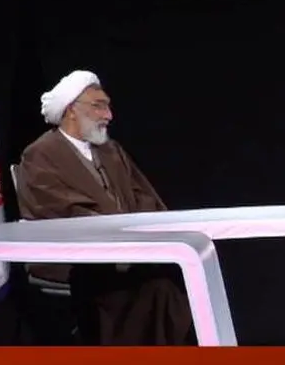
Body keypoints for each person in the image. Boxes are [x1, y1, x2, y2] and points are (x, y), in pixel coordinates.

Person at [16, 70, 195, 345]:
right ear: (71, 110)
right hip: (79, 259)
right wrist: (120, 232)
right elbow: (61, 210)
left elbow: (143, 197)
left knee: (178, 277)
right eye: (98, 106)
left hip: (126, 252)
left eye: (107, 106)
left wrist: (147, 230)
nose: (108, 115)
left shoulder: (111, 150)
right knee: (156, 289)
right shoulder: (41, 154)